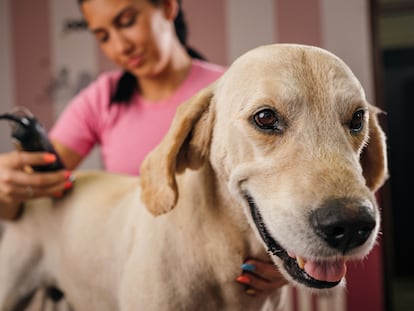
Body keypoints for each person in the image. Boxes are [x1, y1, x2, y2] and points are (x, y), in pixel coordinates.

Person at [0, 0, 286, 297]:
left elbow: (284, 186)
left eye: (126, 22)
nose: (120, 46)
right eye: (103, 36)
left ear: (167, 7)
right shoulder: (101, 100)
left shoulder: (235, 96)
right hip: (134, 279)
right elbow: (27, 202)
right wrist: (6, 186)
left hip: (229, 284)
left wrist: (291, 262)